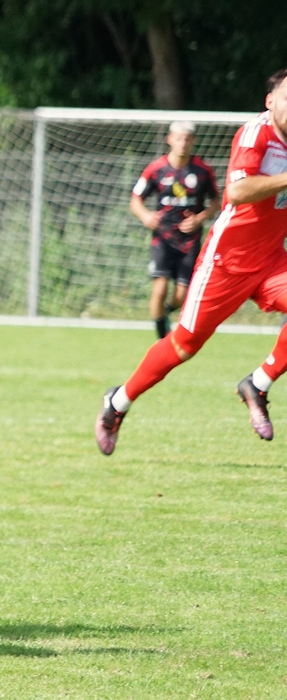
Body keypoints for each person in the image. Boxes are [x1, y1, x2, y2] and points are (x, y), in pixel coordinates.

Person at [96, 68, 287, 456]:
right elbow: (237, 191)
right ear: (270, 101)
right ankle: (117, 402)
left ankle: (257, 384)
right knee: (184, 344)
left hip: (270, 260)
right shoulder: (256, 133)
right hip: (226, 262)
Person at [130, 121, 220, 339]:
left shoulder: (202, 171)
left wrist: (199, 218)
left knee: (181, 295)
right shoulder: (156, 169)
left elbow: (216, 201)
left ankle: (164, 314)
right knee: (159, 289)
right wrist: (145, 215)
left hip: (189, 241)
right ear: (170, 139)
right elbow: (135, 200)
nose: (183, 143)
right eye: (178, 138)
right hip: (162, 238)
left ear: (193, 141)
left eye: (187, 139)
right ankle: (162, 339)